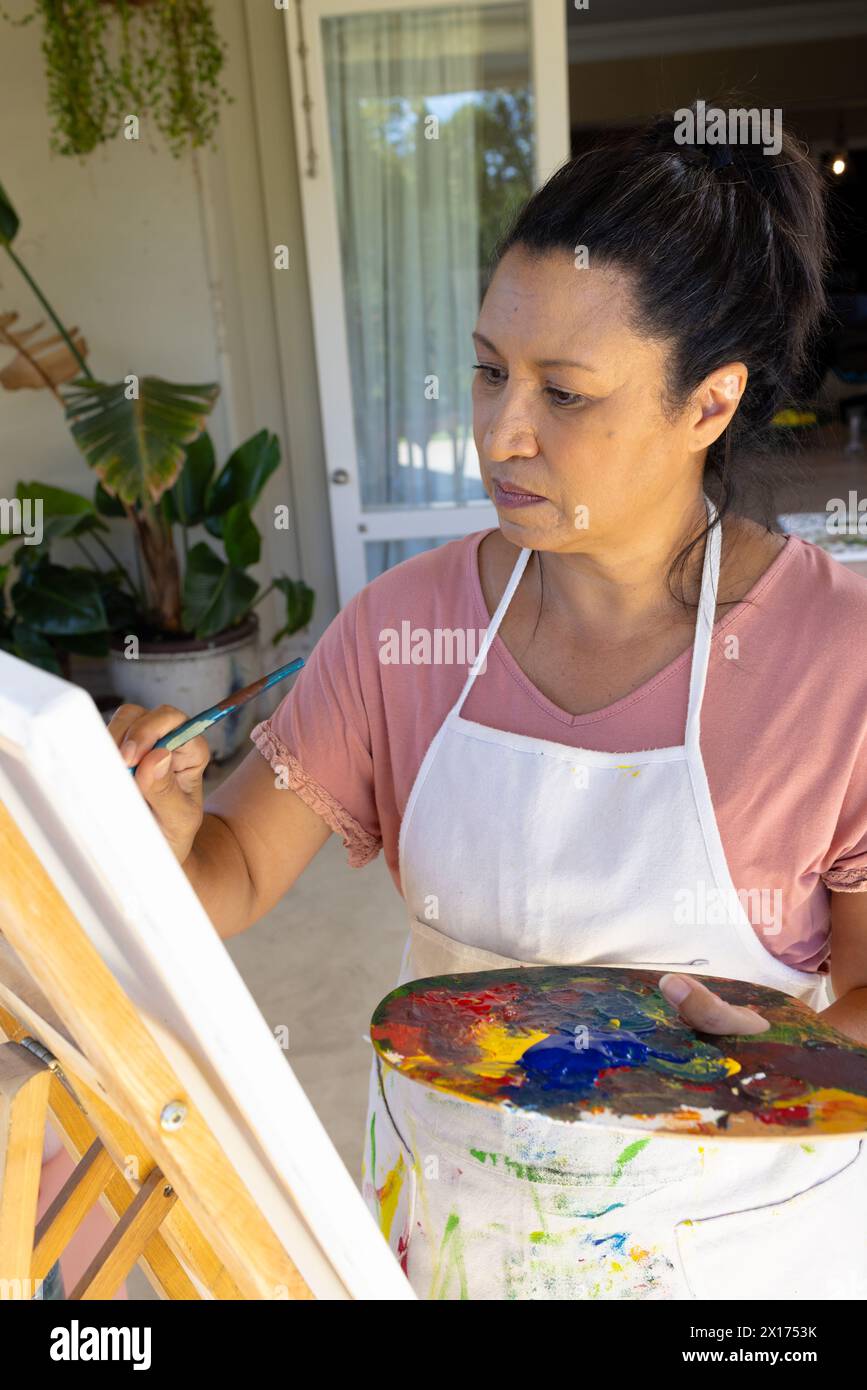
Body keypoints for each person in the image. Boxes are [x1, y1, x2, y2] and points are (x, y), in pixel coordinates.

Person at [109, 106, 867, 1300]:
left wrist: (751, 1058)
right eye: (488, 369)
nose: (499, 432)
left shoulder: (841, 663)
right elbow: (229, 876)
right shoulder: (406, 628)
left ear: (710, 405)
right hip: (455, 1239)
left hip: (735, 1260)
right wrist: (160, 835)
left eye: (565, 395)